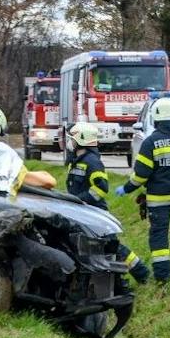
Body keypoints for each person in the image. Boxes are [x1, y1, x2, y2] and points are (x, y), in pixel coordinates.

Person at [112, 97, 170, 283]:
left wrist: (127, 188)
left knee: (159, 237)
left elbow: (140, 176)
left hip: (159, 199)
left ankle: (163, 278)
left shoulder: (150, 143)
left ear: (156, 118)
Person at [65, 121, 148, 283]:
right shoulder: (76, 161)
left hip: (95, 213)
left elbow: (101, 188)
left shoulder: (92, 162)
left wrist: (80, 200)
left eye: (72, 139)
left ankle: (141, 273)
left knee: (112, 246)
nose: (70, 142)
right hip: (82, 213)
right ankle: (114, 280)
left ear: (81, 140)